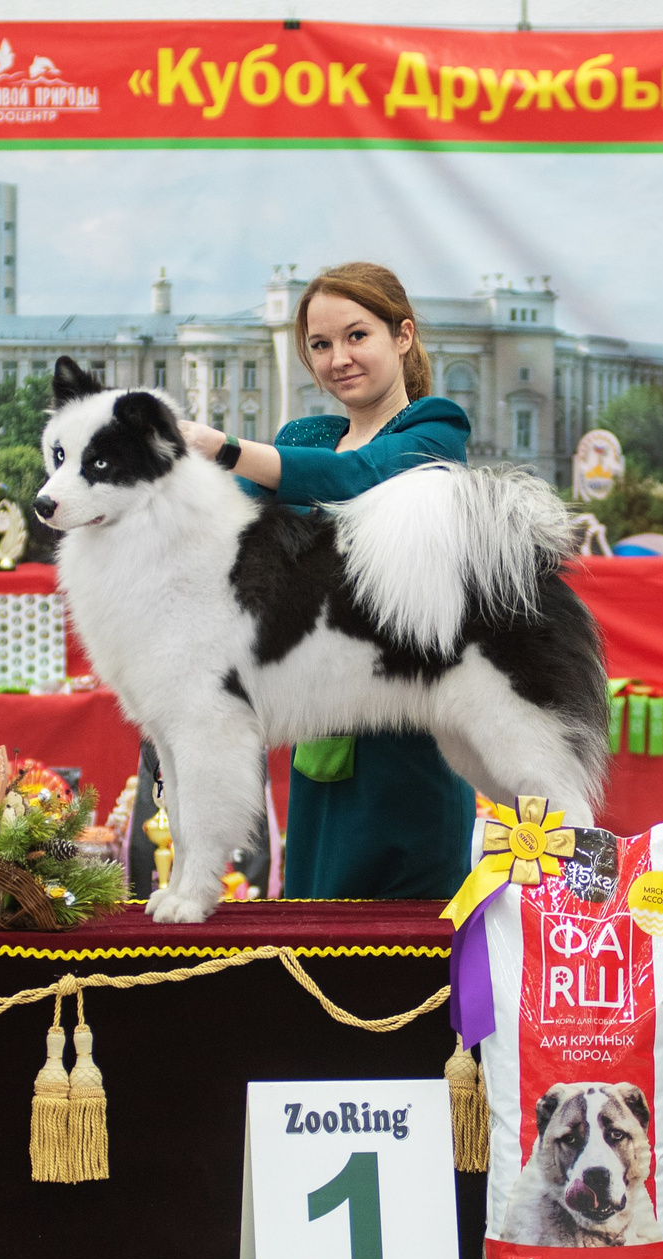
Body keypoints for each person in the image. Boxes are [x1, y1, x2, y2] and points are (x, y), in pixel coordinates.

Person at [175, 262, 473, 899]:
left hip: (409, 735)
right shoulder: (303, 439)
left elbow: (360, 476)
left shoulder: (436, 429)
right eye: (320, 344)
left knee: (412, 945)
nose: (339, 357)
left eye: (357, 336)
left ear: (403, 336)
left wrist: (224, 447)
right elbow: (224, 537)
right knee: (318, 930)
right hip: (318, 741)